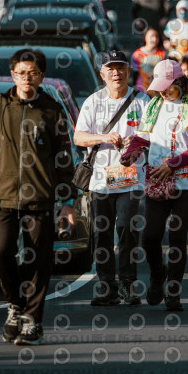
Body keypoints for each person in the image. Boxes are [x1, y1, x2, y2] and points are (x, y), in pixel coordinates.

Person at [0, 48, 77, 345]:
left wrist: (67, 202)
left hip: (41, 197)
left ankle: (33, 320)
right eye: (20, 73)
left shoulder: (52, 111)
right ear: (12, 75)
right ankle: (16, 305)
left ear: (41, 76)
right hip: (3, 197)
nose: (26, 78)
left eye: (32, 73)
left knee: (39, 259)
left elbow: (63, 160)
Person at [121, 59, 188, 311]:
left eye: (167, 87)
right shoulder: (153, 106)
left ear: (180, 82)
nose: (162, 92)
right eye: (159, 87)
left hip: (187, 181)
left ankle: (173, 293)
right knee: (150, 237)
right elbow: (141, 138)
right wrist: (130, 154)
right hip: (158, 180)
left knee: (176, 235)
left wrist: (174, 163)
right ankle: (158, 274)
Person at [73, 51, 151, 305]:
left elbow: (154, 135)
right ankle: (107, 287)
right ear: (102, 74)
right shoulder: (93, 101)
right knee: (102, 233)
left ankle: (128, 284)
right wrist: (103, 137)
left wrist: (136, 142)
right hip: (100, 179)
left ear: (128, 71)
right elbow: (79, 137)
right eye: (111, 69)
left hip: (130, 177)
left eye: (121, 68)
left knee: (127, 228)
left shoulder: (142, 101)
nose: (116, 73)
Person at [131, 28, 165, 94]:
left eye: (156, 36)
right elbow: (135, 74)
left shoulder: (162, 53)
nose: (154, 39)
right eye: (151, 36)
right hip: (141, 90)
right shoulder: (137, 54)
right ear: (145, 37)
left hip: (157, 91)